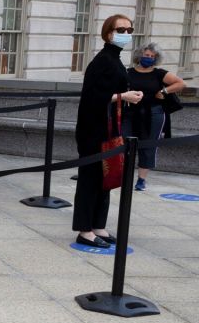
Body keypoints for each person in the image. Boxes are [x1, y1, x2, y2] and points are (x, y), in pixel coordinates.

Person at [72, 14, 143, 248]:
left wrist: (129, 96)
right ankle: (84, 229)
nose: (126, 34)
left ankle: (97, 225)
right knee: (91, 179)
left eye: (129, 30)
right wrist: (123, 96)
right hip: (93, 130)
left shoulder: (115, 59)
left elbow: (114, 91)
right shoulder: (102, 60)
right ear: (108, 32)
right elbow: (91, 97)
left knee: (106, 177)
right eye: (120, 29)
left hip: (110, 127)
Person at [123, 42, 186, 191]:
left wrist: (164, 91)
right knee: (124, 143)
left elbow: (180, 83)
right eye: (146, 55)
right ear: (140, 55)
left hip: (153, 114)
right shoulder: (128, 72)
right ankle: (124, 175)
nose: (149, 58)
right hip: (131, 113)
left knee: (148, 146)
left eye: (152, 56)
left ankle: (141, 180)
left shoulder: (159, 73)